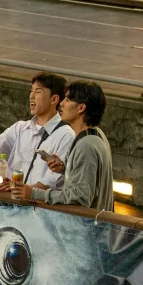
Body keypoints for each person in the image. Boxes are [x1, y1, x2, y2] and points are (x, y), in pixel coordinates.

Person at [36, 80, 113, 212]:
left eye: (67, 99)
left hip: (86, 229)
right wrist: (65, 169)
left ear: (81, 108)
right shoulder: (97, 135)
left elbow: (80, 198)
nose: (61, 103)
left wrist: (34, 194)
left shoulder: (86, 146)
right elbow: (90, 178)